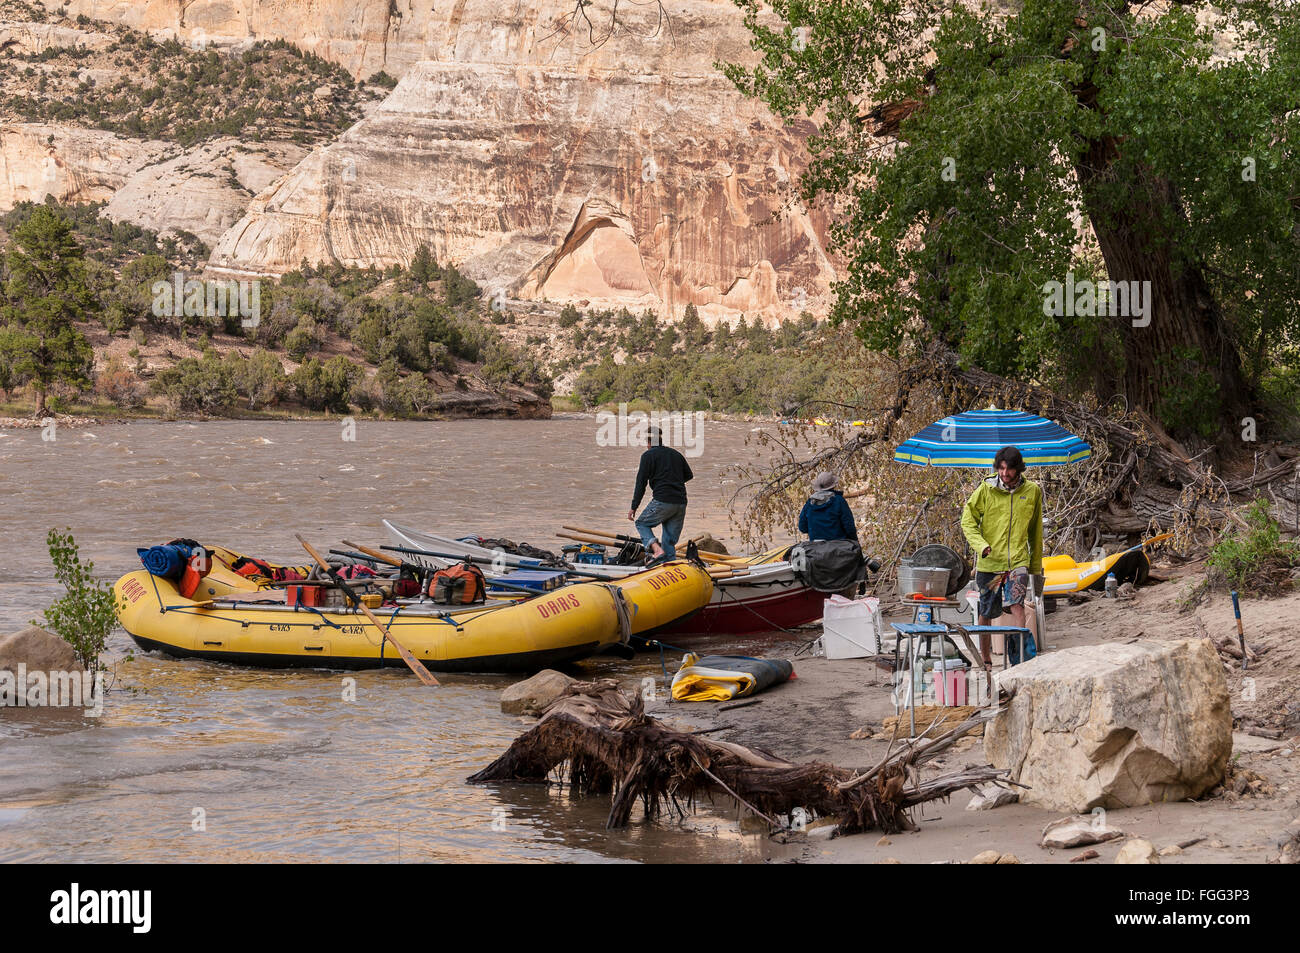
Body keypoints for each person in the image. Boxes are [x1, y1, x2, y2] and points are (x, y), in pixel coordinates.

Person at [960, 446, 1043, 666]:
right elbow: (967, 521)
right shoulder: (985, 489)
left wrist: (1035, 567)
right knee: (986, 610)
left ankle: (1020, 659)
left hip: (1018, 561)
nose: (1005, 473)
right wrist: (981, 545)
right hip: (991, 563)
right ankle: (985, 659)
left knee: (1017, 605)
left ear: (1019, 469)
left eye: (1010, 469)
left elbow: (1036, 532)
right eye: (1001, 468)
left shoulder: (1032, 491)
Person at [627, 426, 693, 563]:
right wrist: (673, 481)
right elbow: (689, 475)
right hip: (680, 502)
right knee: (669, 541)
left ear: (649, 442)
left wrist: (634, 506)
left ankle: (657, 550)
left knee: (641, 524)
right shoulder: (676, 454)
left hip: (663, 500)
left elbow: (641, 483)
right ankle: (669, 568)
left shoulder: (648, 456)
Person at [797, 471, 859, 544]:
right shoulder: (839, 501)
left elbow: (802, 528)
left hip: (816, 548)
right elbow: (849, 528)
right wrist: (855, 542)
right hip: (839, 547)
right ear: (833, 486)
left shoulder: (809, 503)